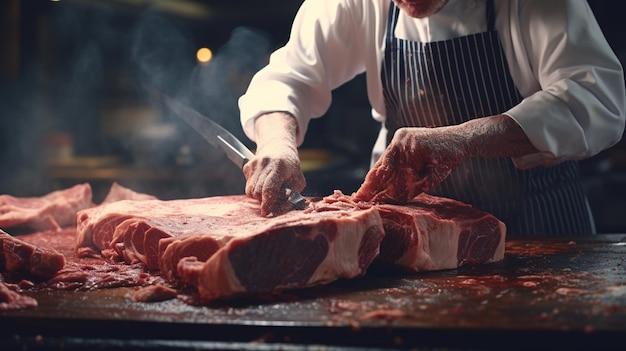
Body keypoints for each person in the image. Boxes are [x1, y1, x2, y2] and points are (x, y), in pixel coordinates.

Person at [238, 0, 626, 238]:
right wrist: (276, 142)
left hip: (539, 231)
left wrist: (462, 139)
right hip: (409, 238)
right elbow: (289, 78)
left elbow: (594, 98)